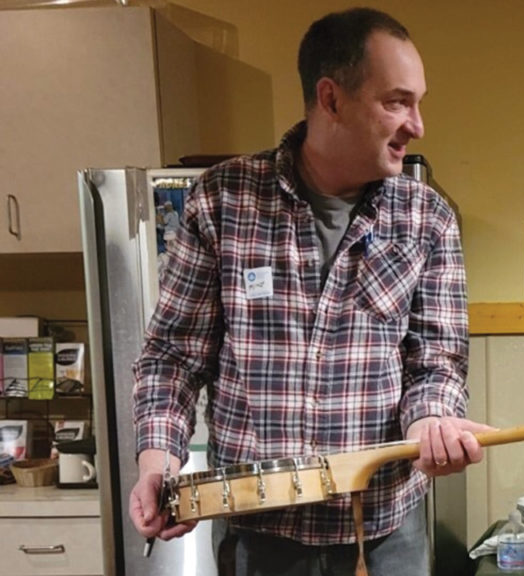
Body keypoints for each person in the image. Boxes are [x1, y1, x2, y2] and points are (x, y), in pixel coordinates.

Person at [129, 8, 491, 575]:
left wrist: (432, 423)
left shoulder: (428, 218)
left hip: (384, 534)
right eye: (397, 101)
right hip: (258, 535)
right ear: (331, 99)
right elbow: (173, 356)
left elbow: (436, 364)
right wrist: (158, 454)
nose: (418, 124)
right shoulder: (222, 202)